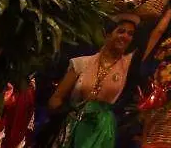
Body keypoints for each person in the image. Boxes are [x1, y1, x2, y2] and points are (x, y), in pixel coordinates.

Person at [44, 14, 139, 148]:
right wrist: (67, 116)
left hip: (102, 133)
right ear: (107, 34)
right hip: (73, 129)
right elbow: (55, 100)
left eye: (130, 34)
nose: (126, 36)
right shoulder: (81, 63)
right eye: (121, 31)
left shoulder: (127, 67)